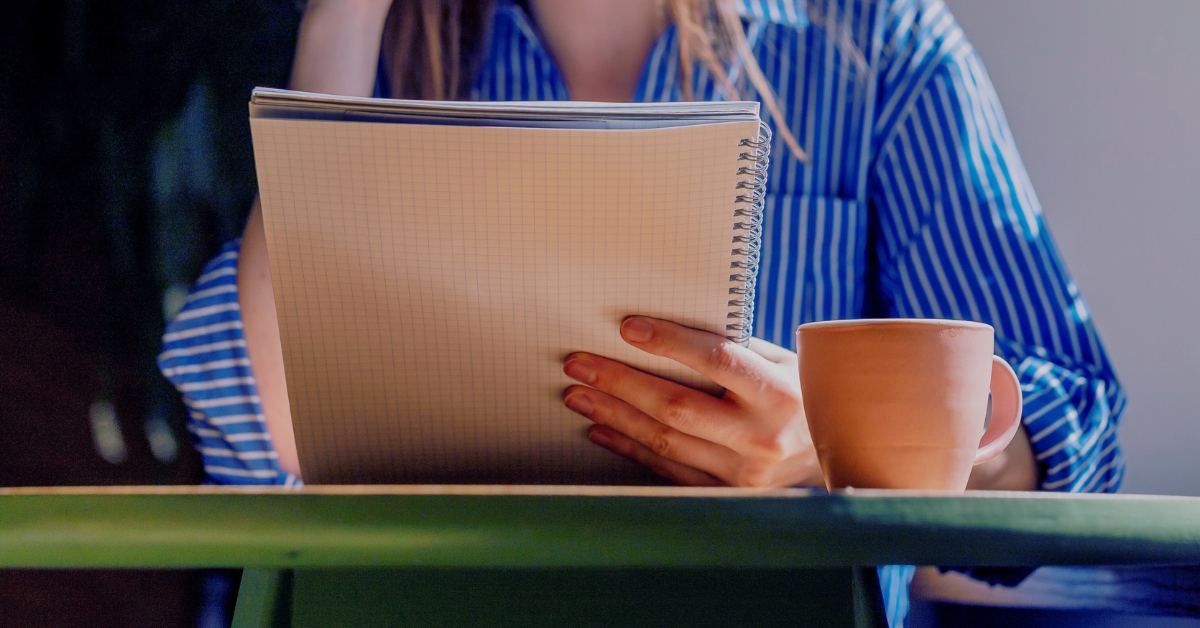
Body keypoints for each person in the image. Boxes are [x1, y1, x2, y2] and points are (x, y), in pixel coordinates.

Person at [158, 1, 1126, 625]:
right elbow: (268, 437)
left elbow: (1068, 451)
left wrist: (848, 437)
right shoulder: (391, 59)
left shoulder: (879, 47)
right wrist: (340, 25)